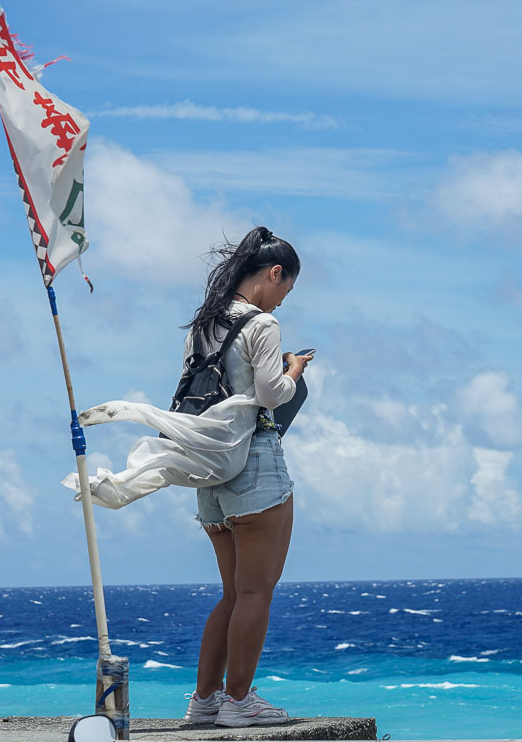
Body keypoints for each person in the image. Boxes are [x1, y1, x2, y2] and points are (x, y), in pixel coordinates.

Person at [178, 227, 311, 727]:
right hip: (253, 461)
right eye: (285, 290)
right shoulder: (262, 324)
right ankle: (239, 703)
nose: (280, 302)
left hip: (208, 464)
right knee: (257, 591)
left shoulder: (204, 324)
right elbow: (271, 394)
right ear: (274, 274)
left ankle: (205, 701)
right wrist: (294, 368)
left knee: (232, 594)